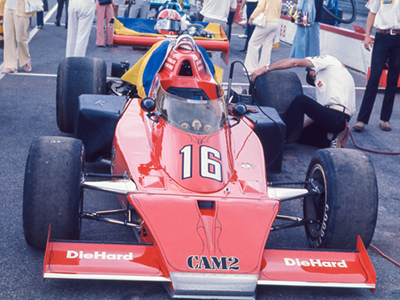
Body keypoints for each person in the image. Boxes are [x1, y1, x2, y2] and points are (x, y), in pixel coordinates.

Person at [252, 55, 356, 148]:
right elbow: (316, 115)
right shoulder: (336, 78)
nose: (314, 78)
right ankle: (331, 138)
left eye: (312, 75)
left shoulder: (328, 60)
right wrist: (297, 129)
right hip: (335, 120)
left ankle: (277, 139)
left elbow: (294, 62)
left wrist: (266, 68)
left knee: (301, 100)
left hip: (338, 117)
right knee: (300, 136)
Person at [353, 0, 400, 132]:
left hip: (398, 39)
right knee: (374, 78)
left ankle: (385, 119)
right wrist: (367, 35)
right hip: (382, 37)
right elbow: (372, 13)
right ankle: (362, 120)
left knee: (392, 80)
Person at [244, 0, 282, 75]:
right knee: (267, 46)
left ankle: (251, 69)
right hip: (275, 22)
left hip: (265, 22)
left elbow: (260, 7)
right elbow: (279, 10)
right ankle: (264, 68)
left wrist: (252, 17)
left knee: (253, 43)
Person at [1, 0, 33, 74]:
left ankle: (26, 60)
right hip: (7, 7)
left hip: (21, 7)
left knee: (21, 38)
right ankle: (10, 65)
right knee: (8, 37)